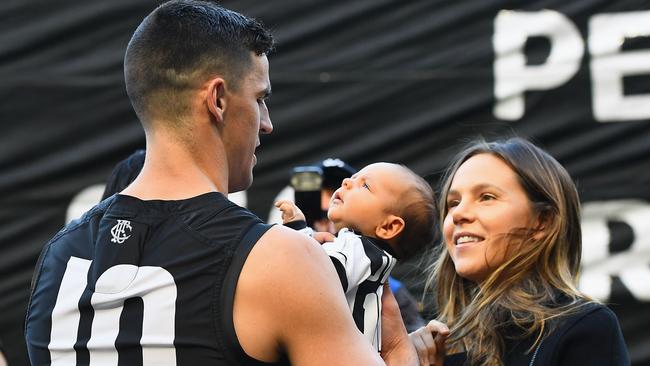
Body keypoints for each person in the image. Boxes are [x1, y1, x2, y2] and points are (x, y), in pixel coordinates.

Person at [24, 1, 418, 365]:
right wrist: (399, 345)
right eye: (259, 98)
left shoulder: (57, 259)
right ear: (218, 100)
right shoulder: (278, 261)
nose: (267, 122)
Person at [409, 137, 630, 366]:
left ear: (542, 221)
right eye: (453, 202)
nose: (457, 214)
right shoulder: (435, 347)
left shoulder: (584, 328)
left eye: (486, 197)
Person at [276, 162, 436, 350]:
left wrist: (298, 231)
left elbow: (317, 277)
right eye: (353, 178)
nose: (346, 183)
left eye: (365, 185)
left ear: (388, 227)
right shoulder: (357, 250)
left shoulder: (364, 252)